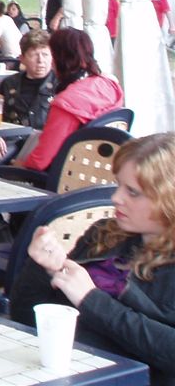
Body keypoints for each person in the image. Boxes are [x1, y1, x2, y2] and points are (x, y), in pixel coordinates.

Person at [11, 133, 175, 384]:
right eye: (119, 185)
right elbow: (26, 318)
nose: (116, 198)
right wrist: (42, 268)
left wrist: (91, 299)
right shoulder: (104, 235)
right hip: (59, 372)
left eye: (132, 192)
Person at [14, 28, 123, 172]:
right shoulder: (108, 85)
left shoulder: (67, 103)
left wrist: (17, 164)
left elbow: (39, 161)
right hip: (102, 169)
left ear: (58, 59)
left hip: (68, 174)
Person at [0, 30, 56, 172]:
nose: (40, 60)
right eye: (34, 55)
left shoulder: (60, 84)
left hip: (44, 141)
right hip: (12, 138)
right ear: (22, 58)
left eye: (45, 55)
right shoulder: (9, 83)